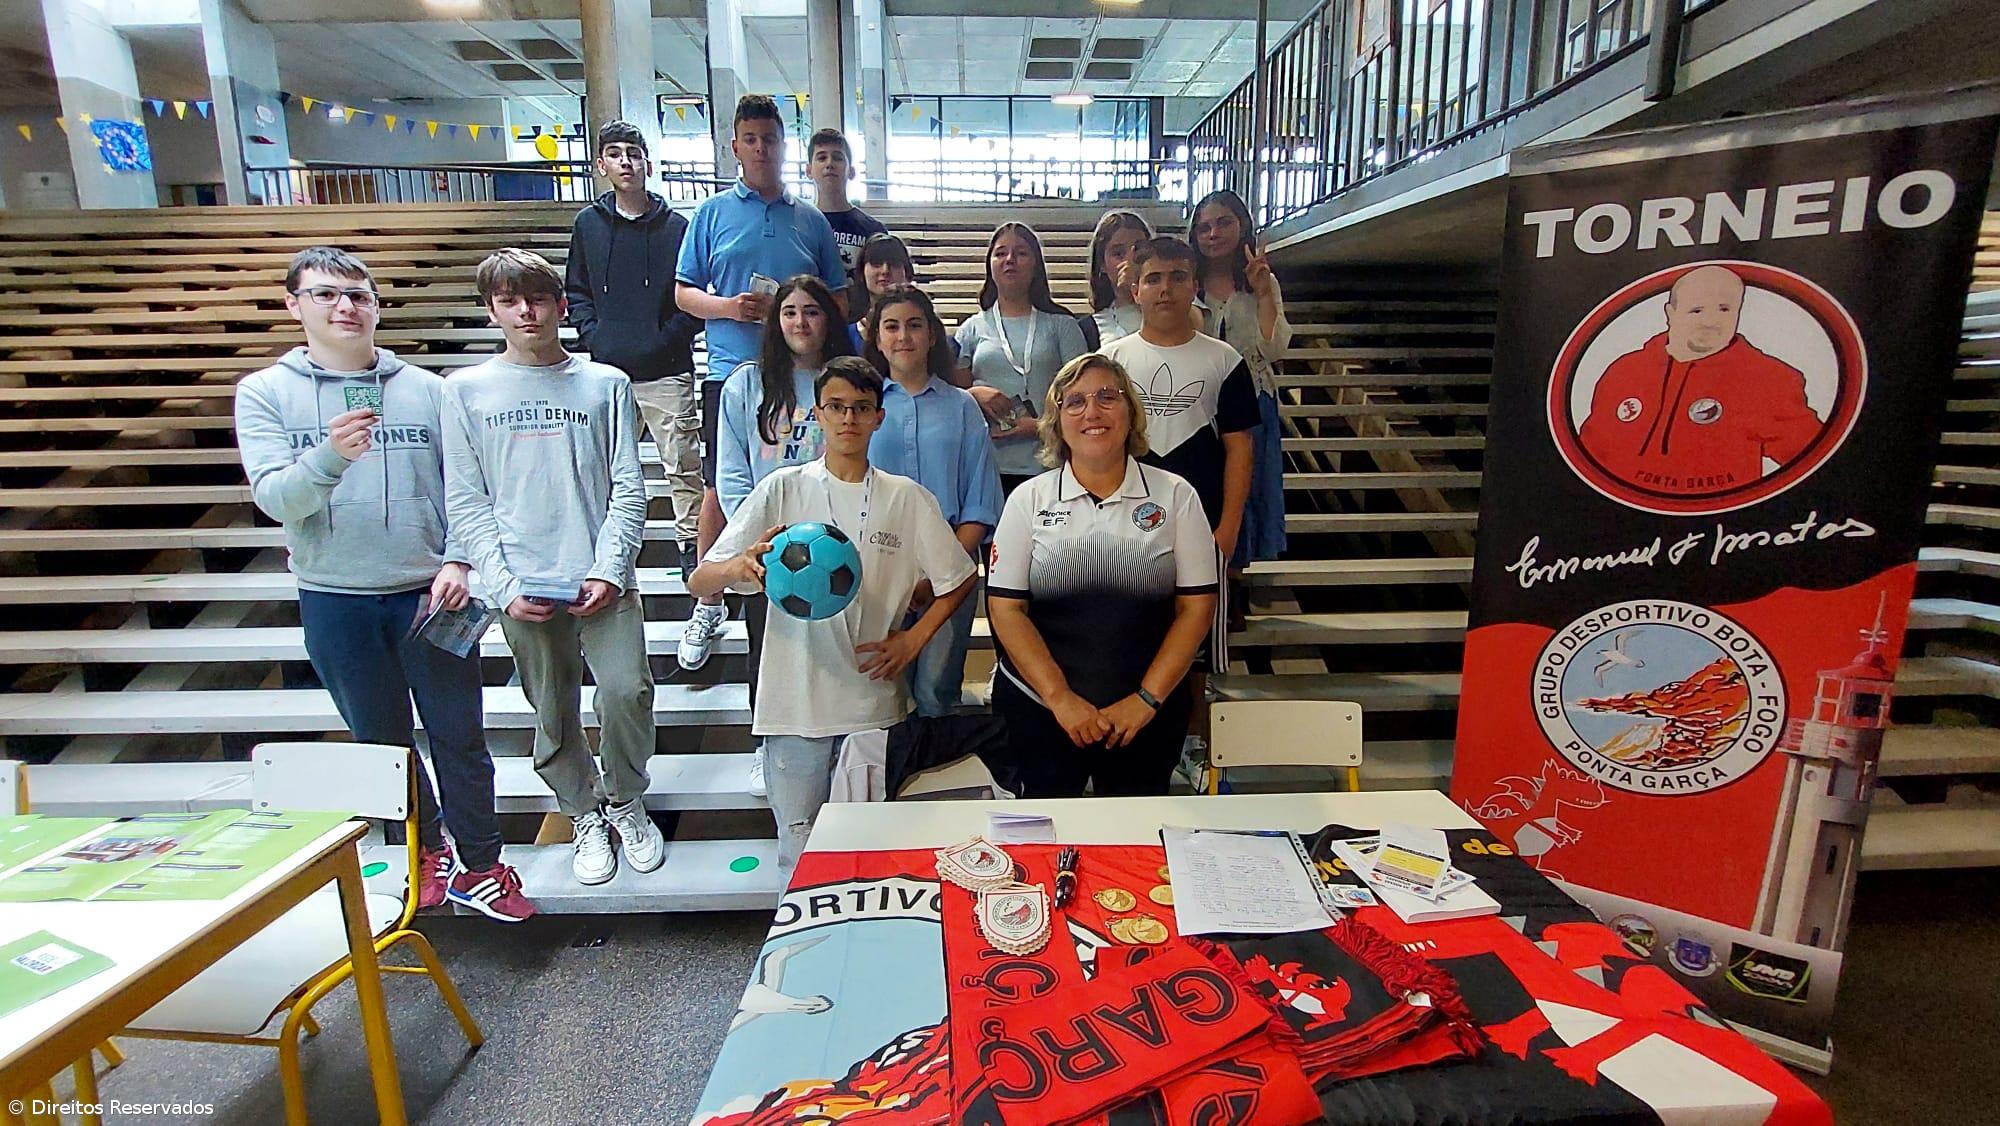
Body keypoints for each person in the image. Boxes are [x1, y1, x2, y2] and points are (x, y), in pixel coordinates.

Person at [236, 247, 534, 923]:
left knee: (461, 735)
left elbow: (466, 488)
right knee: (382, 741)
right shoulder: (265, 393)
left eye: (359, 295)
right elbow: (276, 498)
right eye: (326, 295)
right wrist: (329, 458)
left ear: (376, 305)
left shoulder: (429, 390)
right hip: (335, 597)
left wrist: (459, 558)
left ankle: (484, 864)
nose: (346, 307)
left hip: (429, 595)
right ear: (295, 305)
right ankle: (422, 851)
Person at [689, 357, 978, 872]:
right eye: (837, 408)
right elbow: (700, 579)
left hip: (874, 708)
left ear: (878, 418)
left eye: (861, 408)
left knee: (869, 855)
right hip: (793, 706)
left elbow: (959, 579)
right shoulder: (783, 489)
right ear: (817, 415)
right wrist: (740, 565)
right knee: (798, 854)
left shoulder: (906, 499)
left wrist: (913, 642)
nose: (849, 418)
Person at [441, 248, 663, 887]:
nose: (526, 311)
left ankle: (624, 798)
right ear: (492, 311)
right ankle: (581, 809)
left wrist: (611, 569)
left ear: (561, 304)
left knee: (626, 691)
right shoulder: (467, 392)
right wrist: (503, 585)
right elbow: (467, 495)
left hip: (599, 574)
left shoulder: (605, 384)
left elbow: (628, 484)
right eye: (510, 300)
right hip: (523, 580)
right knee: (551, 708)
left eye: (536, 297)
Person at [986, 354, 1219, 797]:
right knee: (1047, 844)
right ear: (1056, 422)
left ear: (1131, 412)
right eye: (1074, 402)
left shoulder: (1176, 496)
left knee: (1133, 850)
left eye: (1107, 397)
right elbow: (1006, 609)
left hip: (1144, 717)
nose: (1092, 412)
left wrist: (1146, 700)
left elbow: (1196, 608)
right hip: (1043, 711)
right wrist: (1060, 698)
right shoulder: (1027, 500)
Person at [675, 94, 849, 672]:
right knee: (718, 488)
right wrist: (729, 307)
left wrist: (793, 311)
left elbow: (838, 297)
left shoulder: (810, 220)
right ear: (735, 147)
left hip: (811, 377)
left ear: (782, 145)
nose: (760, 148)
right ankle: (711, 594)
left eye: (770, 139)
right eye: (750, 139)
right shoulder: (710, 214)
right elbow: (683, 293)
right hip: (736, 370)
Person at [1102, 236, 1257, 667]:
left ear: (1195, 286)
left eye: (1177, 277)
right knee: (1128, 641)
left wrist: (1227, 531)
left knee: (1197, 648)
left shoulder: (1224, 362)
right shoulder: (1110, 361)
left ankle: (1195, 734)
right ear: (1135, 290)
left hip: (1201, 524)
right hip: (1124, 528)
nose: (1165, 289)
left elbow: (1240, 450)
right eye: (1152, 279)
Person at [565, 119, 704, 572]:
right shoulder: (588, 225)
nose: (626, 161)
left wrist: (666, 340)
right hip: (608, 371)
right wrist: (595, 337)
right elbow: (577, 290)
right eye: (616, 153)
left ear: (647, 163)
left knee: (682, 466)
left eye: (634, 153)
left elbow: (693, 296)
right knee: (605, 468)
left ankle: (690, 547)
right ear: (601, 164)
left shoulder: (677, 228)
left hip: (666, 370)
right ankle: (609, 550)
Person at [862, 284, 1003, 716]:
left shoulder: (962, 408)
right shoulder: (862, 407)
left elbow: (980, 502)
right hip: (875, 573)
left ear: (932, 335)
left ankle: (932, 781)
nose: (903, 336)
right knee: (879, 696)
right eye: (892, 326)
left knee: (935, 696)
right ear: (878, 338)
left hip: (948, 576)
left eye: (914, 325)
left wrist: (938, 572)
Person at [1578, 263, 1821, 496]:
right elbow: (1588, 458)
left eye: (1724, 309)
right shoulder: (1625, 372)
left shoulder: (1770, 379)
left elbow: (1817, 466)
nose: (1711, 322)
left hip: (1717, 531)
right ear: (1670, 313)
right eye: (1697, 310)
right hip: (1621, 524)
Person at [1192, 189, 1291, 568]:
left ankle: (1236, 577)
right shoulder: (1188, 284)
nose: (1213, 234)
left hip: (1253, 399)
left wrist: (1264, 293)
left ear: (1242, 225)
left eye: (1223, 223)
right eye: (1204, 228)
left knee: (1247, 491)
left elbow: (1275, 349)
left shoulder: (1260, 282)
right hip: (1201, 402)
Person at [952, 222, 1088, 496]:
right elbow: (953, 399)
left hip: (1050, 464)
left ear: (1036, 264)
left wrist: (1040, 427)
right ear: (990, 264)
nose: (1009, 260)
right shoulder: (971, 329)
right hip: (987, 467)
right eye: (1000, 253)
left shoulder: (1062, 326)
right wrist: (976, 393)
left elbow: (1083, 397)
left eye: (1020, 253)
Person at [807, 127, 889, 282]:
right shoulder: (800, 225)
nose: (829, 164)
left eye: (838, 158)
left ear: (851, 171)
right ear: (808, 170)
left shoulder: (873, 230)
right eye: (821, 158)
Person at [1083, 210, 1155, 349]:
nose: (1130, 260)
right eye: (1118, 254)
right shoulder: (1090, 328)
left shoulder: (1169, 310)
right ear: (1102, 264)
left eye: (1138, 250)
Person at [845, 233, 916, 352]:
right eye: (876, 264)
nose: (885, 271)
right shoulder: (844, 336)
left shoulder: (924, 330)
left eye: (893, 264)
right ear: (862, 271)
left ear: (907, 272)